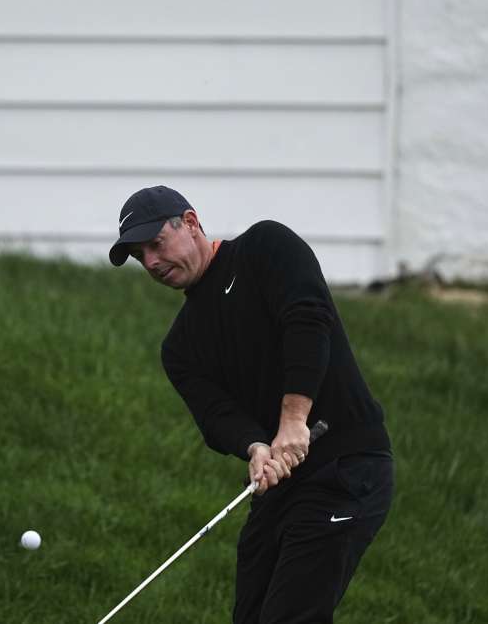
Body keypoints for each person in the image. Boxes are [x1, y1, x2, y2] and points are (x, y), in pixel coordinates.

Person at [109, 185, 394, 624]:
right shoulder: (180, 347)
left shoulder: (266, 248)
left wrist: (294, 420)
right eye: (138, 255)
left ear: (189, 222)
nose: (149, 262)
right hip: (281, 485)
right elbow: (217, 416)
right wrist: (256, 447)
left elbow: (308, 320)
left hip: (347, 464)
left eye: (155, 244)